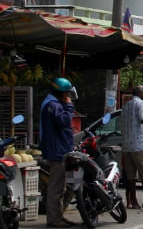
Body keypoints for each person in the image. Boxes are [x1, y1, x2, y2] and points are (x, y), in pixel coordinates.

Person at [40, 77, 77, 228]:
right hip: (57, 152)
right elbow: (63, 121)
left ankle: (59, 215)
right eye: (67, 94)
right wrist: (69, 106)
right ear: (62, 93)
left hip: (62, 149)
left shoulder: (52, 103)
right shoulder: (53, 105)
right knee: (56, 187)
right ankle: (54, 219)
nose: (69, 96)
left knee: (71, 183)